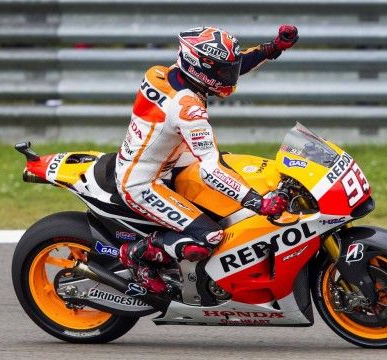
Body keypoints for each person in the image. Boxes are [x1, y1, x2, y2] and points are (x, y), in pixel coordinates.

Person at [116, 25, 299, 294]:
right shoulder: (188, 110)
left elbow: (234, 65)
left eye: (229, 69)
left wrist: (273, 48)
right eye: (224, 71)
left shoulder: (163, 74)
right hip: (142, 183)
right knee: (209, 237)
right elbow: (211, 169)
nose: (230, 76)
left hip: (172, 162)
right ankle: (138, 254)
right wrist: (257, 202)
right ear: (201, 68)